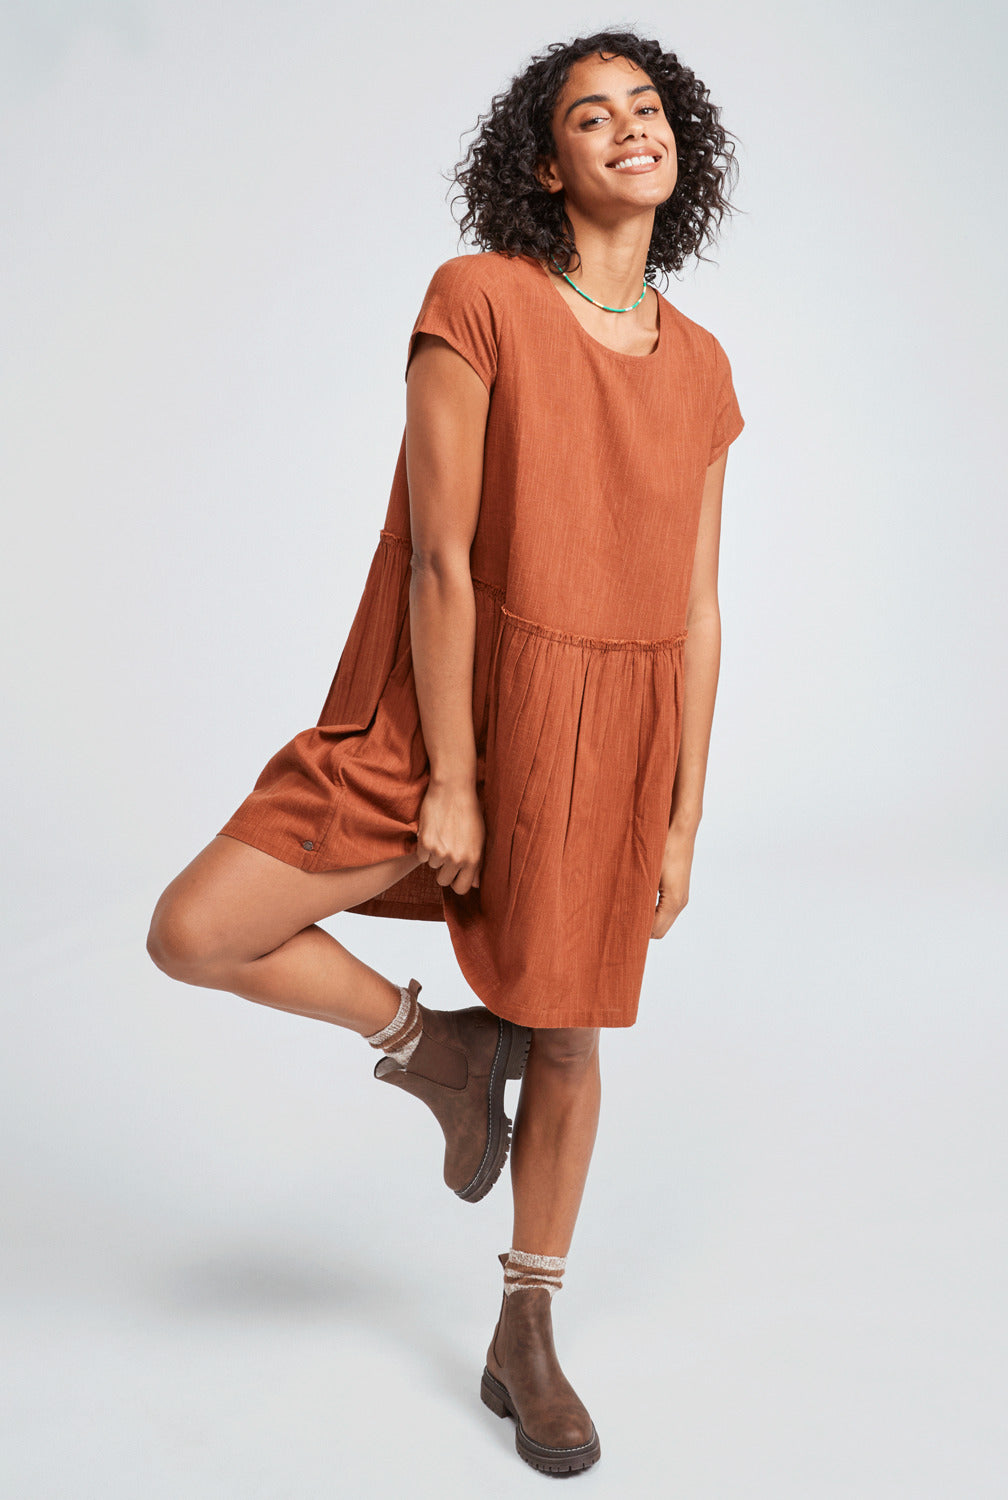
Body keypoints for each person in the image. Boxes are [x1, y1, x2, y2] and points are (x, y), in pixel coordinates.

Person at [146, 28, 743, 1477]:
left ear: (680, 141)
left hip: (608, 738)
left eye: (646, 106)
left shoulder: (705, 367)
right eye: (590, 116)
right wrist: (458, 779)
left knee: (571, 1030)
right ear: (544, 166)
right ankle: (439, 1051)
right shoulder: (477, 299)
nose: (629, 128)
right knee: (197, 928)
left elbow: (695, 611)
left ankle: (526, 1327)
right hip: (446, 707)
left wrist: (679, 820)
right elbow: (438, 556)